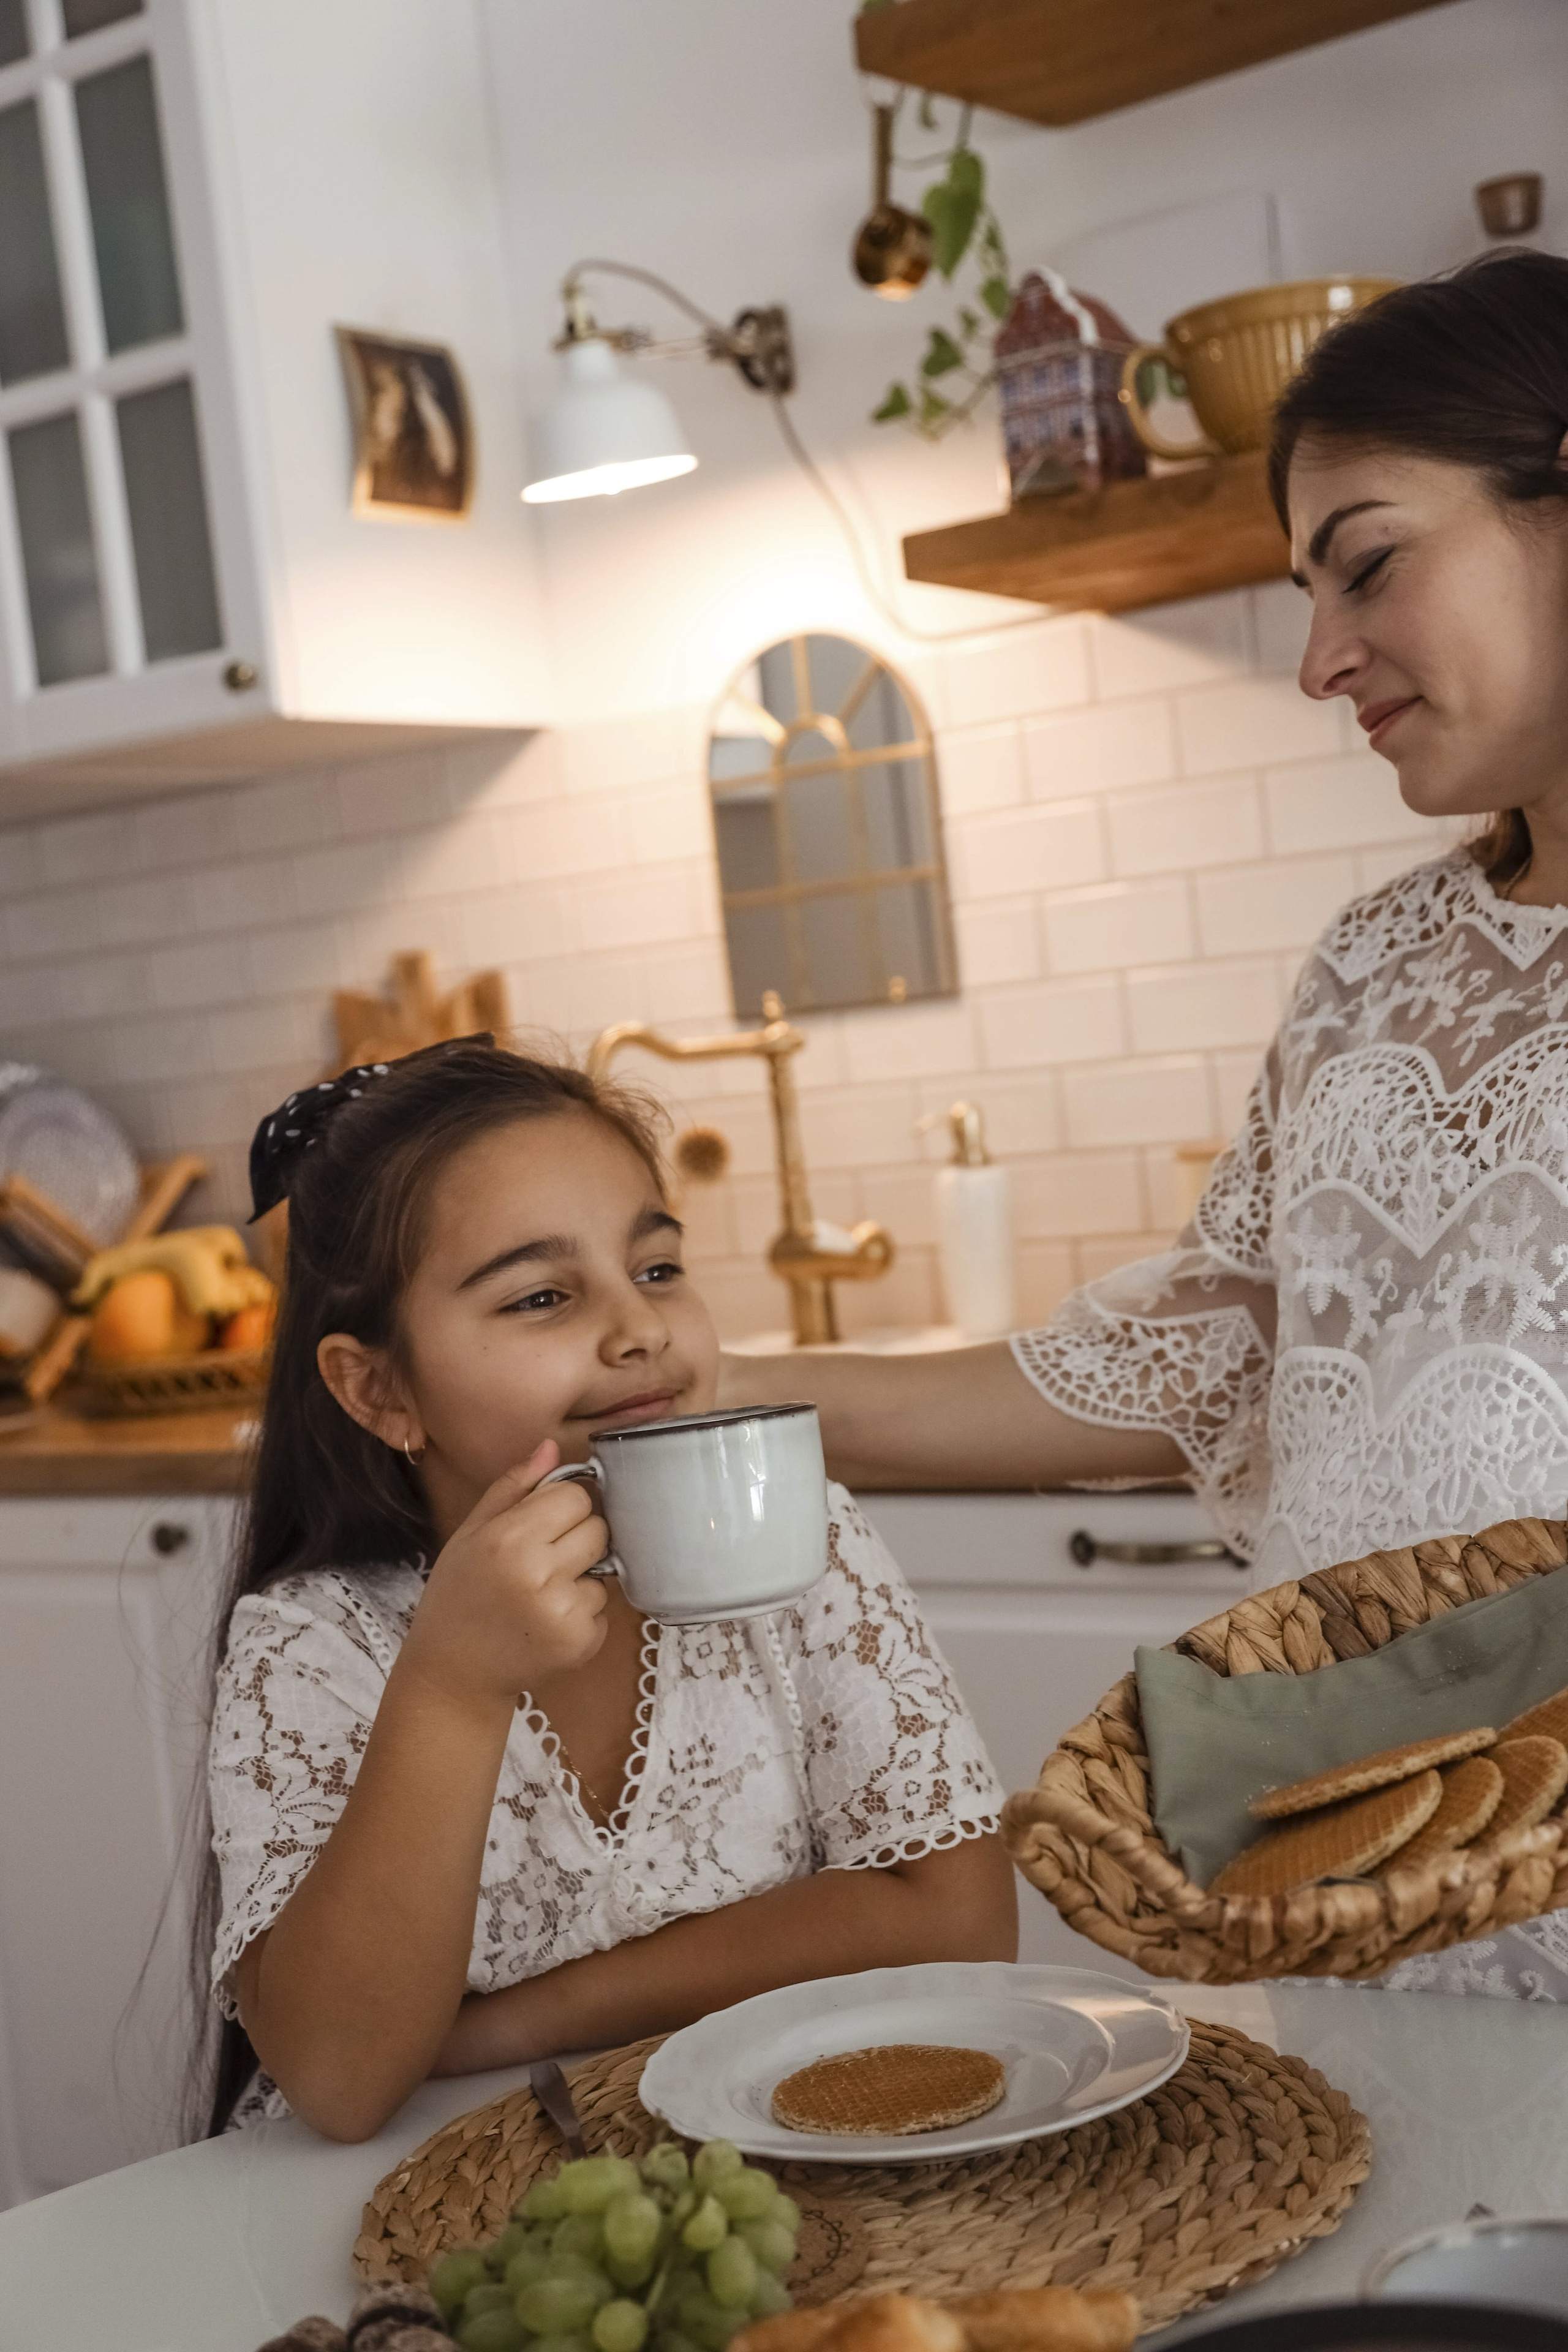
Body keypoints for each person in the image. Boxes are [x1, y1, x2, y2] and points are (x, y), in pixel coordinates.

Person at [723, 249, 1568, 1999]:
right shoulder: (1373, 972)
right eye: (1306, 590)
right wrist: (726, 1400)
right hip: (1364, 1911)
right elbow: (1210, 1340)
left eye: (1372, 564)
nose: (1325, 655)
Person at [200, 1041, 1014, 2142]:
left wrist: (496, 2026)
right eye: (542, 1295)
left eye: (659, 1268)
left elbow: (959, 1922)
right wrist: (451, 1687)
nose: (638, 1329)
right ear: (379, 1388)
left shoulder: (805, 1543)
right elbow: (340, 2080)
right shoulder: (312, 1647)